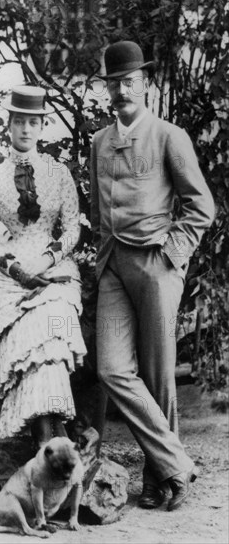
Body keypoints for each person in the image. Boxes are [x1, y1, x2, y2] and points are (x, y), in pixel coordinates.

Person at [90, 41, 215, 511]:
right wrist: (103, 262)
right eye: (114, 83)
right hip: (114, 269)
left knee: (159, 374)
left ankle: (156, 478)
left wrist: (173, 254)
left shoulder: (169, 136)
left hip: (157, 265)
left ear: (146, 85)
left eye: (130, 82)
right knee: (113, 370)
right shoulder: (99, 142)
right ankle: (177, 463)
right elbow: (100, 211)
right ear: (107, 88)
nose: (121, 90)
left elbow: (201, 206)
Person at [0, 85, 87, 448]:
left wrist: (48, 259)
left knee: (50, 338)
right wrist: (15, 270)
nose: (26, 129)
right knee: (27, 346)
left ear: (42, 126)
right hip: (9, 279)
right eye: (19, 121)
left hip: (53, 270)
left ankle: (49, 441)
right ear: (8, 125)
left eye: (33, 122)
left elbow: (73, 227)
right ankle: (51, 441)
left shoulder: (58, 173)